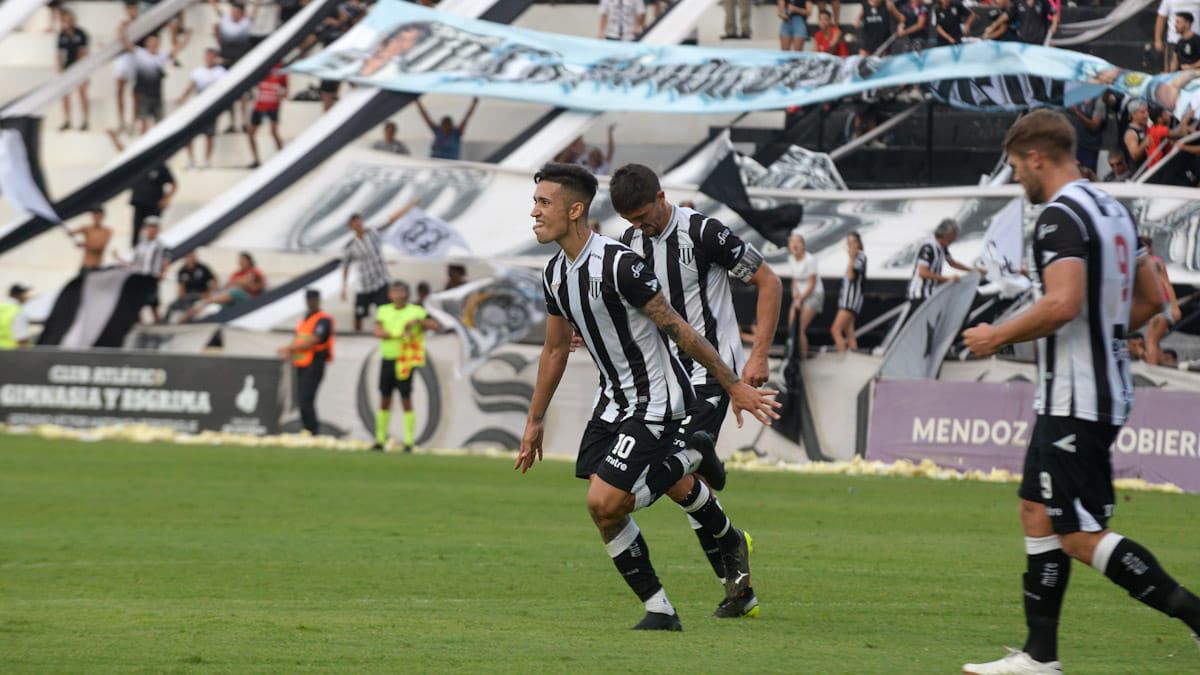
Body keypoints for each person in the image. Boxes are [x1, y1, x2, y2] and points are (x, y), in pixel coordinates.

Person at [961, 109, 1200, 675]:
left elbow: (1062, 303)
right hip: (1084, 391)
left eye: (1018, 166)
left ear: (1037, 158)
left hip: (1077, 397)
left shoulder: (1057, 218)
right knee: (1035, 512)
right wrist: (1105, 332)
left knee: (1077, 533)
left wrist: (996, 334)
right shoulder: (1115, 209)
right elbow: (1150, 300)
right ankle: (1040, 657)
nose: (1018, 177)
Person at [516, 162, 780, 630]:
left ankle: (696, 460)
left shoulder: (693, 236)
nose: (534, 211)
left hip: (697, 378)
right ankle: (731, 579)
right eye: (631, 220)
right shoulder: (585, 262)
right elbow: (564, 340)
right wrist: (536, 417)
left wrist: (746, 369)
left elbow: (748, 291)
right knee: (676, 487)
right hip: (625, 395)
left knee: (619, 494)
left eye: (543, 202)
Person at [612, 164, 782, 617]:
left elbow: (769, 282)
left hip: (711, 373)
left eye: (644, 215)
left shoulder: (705, 233)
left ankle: (725, 532)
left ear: (662, 196)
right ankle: (739, 585)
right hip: (662, 379)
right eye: (631, 220)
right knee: (686, 484)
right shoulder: (628, 245)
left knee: (673, 471)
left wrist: (758, 355)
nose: (640, 226)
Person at [373, 281, 441, 452]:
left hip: (405, 361)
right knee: (384, 398)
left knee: (406, 398)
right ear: (390, 295)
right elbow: (379, 332)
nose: (397, 295)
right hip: (388, 358)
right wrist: (399, 334)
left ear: (406, 294)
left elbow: (435, 325)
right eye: (394, 291)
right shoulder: (383, 310)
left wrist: (418, 322)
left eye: (400, 291)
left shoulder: (415, 311)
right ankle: (380, 439)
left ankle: (409, 441)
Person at [341, 203, 416, 331]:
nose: (357, 223)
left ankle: (391, 331)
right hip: (364, 285)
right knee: (359, 314)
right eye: (354, 222)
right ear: (350, 226)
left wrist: (407, 208)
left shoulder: (373, 234)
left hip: (380, 281)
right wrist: (344, 286)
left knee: (386, 311)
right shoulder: (350, 246)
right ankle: (357, 336)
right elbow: (346, 266)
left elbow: (390, 221)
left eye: (358, 220)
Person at [278, 289, 334, 435]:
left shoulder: (323, 319)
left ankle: (311, 430)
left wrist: (289, 349)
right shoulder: (305, 319)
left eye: (313, 299)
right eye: (309, 300)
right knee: (302, 399)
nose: (311, 302)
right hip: (301, 364)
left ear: (318, 300)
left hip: (315, 363)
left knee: (306, 398)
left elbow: (314, 339)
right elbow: (299, 339)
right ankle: (307, 429)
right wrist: (290, 349)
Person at [119, 28, 181, 134]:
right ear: (147, 42)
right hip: (143, 94)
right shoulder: (140, 53)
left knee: (159, 123)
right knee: (144, 121)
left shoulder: (161, 56)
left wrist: (184, 37)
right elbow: (128, 46)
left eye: (156, 41)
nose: (154, 43)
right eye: (151, 41)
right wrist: (122, 33)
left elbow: (175, 50)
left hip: (156, 94)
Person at [906, 218, 971, 316]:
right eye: (954, 235)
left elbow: (952, 263)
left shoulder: (942, 247)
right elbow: (922, 272)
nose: (955, 238)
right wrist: (948, 279)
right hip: (920, 295)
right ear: (947, 234)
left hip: (930, 294)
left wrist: (972, 270)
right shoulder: (928, 247)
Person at [177, 48, 228, 169]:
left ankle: (207, 160)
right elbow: (190, 86)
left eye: (212, 56)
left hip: (211, 107)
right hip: (198, 107)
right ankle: (191, 160)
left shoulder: (220, 71)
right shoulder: (198, 72)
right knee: (189, 134)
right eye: (207, 56)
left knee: (209, 135)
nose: (209, 58)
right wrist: (182, 97)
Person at [1142, 237, 1182, 366]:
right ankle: (1157, 367)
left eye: (1145, 247)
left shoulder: (1154, 263)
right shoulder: (1147, 263)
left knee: (1151, 341)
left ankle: (1152, 369)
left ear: (1150, 248)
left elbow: (1167, 284)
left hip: (1161, 306)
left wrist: (1175, 307)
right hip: (1157, 306)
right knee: (1154, 340)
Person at [122, 216, 170, 323]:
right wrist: (121, 261)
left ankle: (159, 326)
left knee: (153, 305)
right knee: (136, 303)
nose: (151, 229)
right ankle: (141, 324)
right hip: (140, 277)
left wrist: (163, 272)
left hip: (151, 277)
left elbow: (166, 260)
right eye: (149, 227)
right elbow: (134, 262)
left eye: (154, 227)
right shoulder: (141, 245)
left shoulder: (160, 245)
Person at [215, 1, 254, 128]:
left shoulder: (245, 23)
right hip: (227, 62)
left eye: (236, 12)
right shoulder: (226, 21)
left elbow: (253, 14)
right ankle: (232, 122)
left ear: (241, 13)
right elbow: (217, 11)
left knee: (243, 94)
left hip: (240, 63)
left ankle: (244, 122)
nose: (233, 14)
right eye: (232, 11)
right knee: (229, 94)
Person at [786, 230, 823, 360]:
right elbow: (795, 280)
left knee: (800, 327)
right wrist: (795, 295)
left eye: (797, 242)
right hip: (800, 296)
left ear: (803, 245)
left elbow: (812, 284)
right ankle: (792, 355)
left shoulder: (810, 260)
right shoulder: (791, 259)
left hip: (813, 295)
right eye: (792, 242)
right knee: (792, 326)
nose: (794, 244)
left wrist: (800, 299)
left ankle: (802, 358)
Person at [246, 63, 288, 168]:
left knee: (274, 131)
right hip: (260, 105)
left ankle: (284, 158)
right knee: (250, 132)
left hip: (273, 105)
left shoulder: (281, 68)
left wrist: (277, 97)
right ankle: (256, 160)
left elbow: (286, 91)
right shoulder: (262, 66)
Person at [128, 161, 175, 248]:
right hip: (139, 203)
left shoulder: (160, 165)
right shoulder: (138, 163)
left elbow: (173, 184)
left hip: (154, 205)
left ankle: (152, 251)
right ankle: (134, 251)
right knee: (137, 229)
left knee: (152, 228)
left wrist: (166, 199)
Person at [831, 232, 865, 353]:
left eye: (853, 242)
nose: (850, 246)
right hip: (847, 300)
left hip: (850, 301)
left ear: (859, 243)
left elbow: (851, 276)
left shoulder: (860, 257)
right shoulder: (856, 258)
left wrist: (851, 258)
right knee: (849, 330)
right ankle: (853, 358)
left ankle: (842, 359)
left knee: (835, 329)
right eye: (848, 243)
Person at [56, 9, 89, 131]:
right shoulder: (62, 34)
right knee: (65, 95)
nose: (69, 22)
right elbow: (59, 53)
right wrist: (60, 69)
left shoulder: (81, 33)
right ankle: (67, 120)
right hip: (67, 67)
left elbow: (83, 52)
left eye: (70, 19)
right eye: (66, 19)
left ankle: (85, 120)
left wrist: (80, 68)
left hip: (79, 67)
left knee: (82, 94)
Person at [113, 1, 140, 134]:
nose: (131, 11)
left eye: (133, 8)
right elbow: (120, 40)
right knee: (119, 91)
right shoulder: (122, 24)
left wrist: (124, 36)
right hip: (123, 58)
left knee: (135, 93)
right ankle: (121, 121)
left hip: (135, 58)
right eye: (129, 9)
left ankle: (133, 122)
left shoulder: (142, 23)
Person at [168, 250, 218, 320]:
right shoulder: (182, 271)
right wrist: (181, 297)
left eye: (192, 256)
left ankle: (189, 317)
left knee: (190, 301)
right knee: (171, 306)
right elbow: (181, 287)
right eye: (188, 257)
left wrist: (209, 293)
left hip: (201, 294)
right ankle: (164, 323)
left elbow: (213, 281)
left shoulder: (202, 268)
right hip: (188, 296)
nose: (190, 259)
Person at [1157, 0, 1200, 72]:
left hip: (1195, 42)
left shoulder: (1197, 40)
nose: (1175, 25)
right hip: (1173, 41)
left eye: (1178, 22)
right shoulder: (1179, 42)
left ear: (1187, 23)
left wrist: (1191, 67)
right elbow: (1161, 17)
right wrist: (1158, 39)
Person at [1068, 97, 1107, 173]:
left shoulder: (1099, 101)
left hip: (1090, 147)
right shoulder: (1075, 98)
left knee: (1088, 174)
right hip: (1076, 145)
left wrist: (1077, 113)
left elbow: (1095, 126)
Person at [1122, 99, 1153, 175]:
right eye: (1142, 112)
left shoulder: (1146, 127)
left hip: (1150, 170)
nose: (1146, 115)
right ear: (1134, 115)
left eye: (1147, 111)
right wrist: (1144, 144)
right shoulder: (1131, 133)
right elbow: (1134, 155)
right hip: (1139, 173)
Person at [0, 284, 33, 349]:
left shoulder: (2, 308)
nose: (27, 297)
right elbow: (22, 339)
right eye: (25, 294)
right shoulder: (17, 312)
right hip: (12, 354)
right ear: (17, 295)